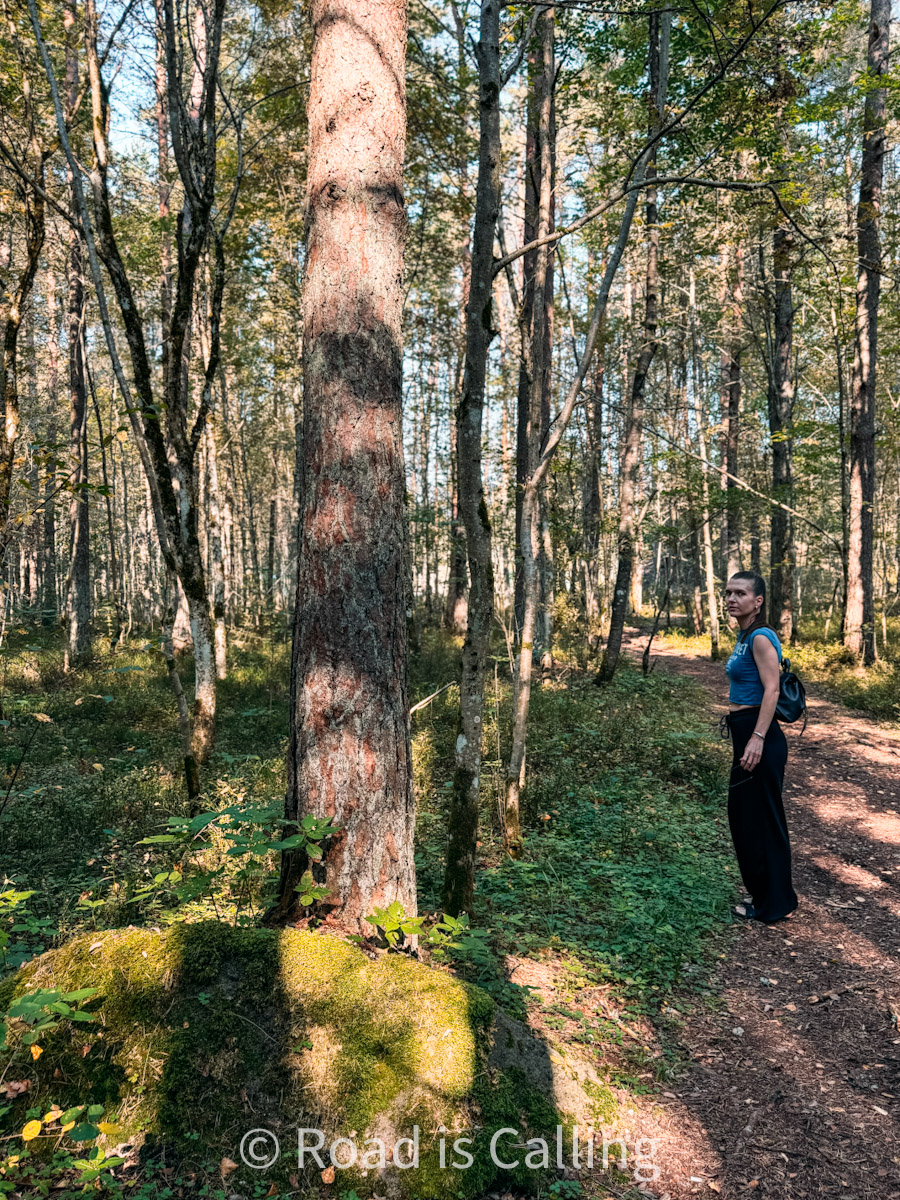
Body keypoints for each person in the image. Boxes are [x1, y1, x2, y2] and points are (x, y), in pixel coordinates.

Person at [723, 571, 798, 923]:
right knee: (744, 816)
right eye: (728, 593)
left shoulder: (761, 637)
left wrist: (757, 737)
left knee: (763, 819)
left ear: (758, 601)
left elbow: (771, 690)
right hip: (747, 733)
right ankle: (765, 893)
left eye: (740, 593)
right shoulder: (745, 635)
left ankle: (774, 903)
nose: (732, 599)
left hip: (759, 737)